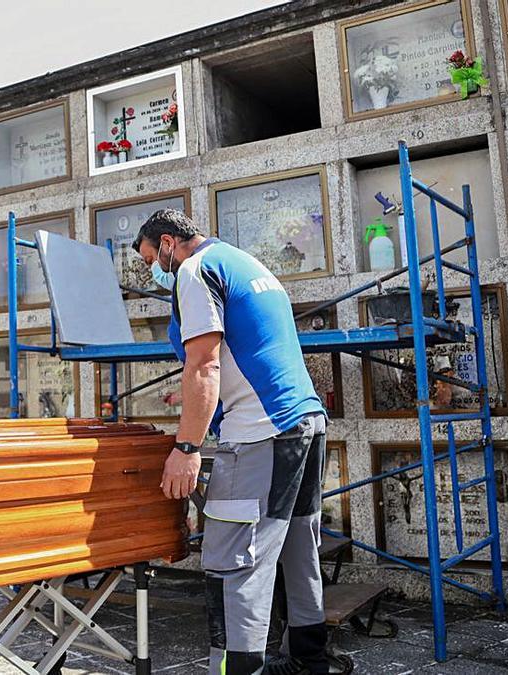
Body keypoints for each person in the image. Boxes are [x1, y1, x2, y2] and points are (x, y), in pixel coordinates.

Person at [133, 209, 329, 675]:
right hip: (304, 421)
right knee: (299, 547)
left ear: (167, 243)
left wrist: (186, 447)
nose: (154, 271)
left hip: (261, 430)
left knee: (233, 561)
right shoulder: (243, 261)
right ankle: (309, 661)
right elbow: (247, 351)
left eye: (150, 260)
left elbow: (204, 364)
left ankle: (238, 669)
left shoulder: (195, 269)